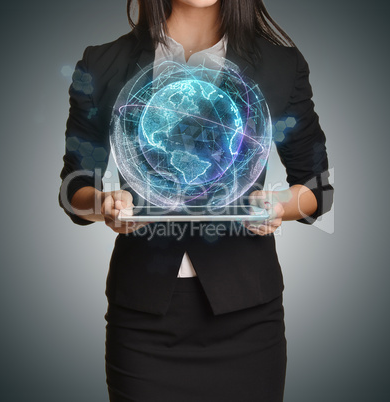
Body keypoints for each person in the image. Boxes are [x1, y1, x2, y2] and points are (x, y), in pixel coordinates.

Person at [59, 0, 334, 401]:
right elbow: (73, 187)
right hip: (143, 322)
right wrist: (102, 203)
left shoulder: (280, 64)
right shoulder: (102, 63)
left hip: (247, 318)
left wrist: (281, 206)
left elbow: (318, 188)